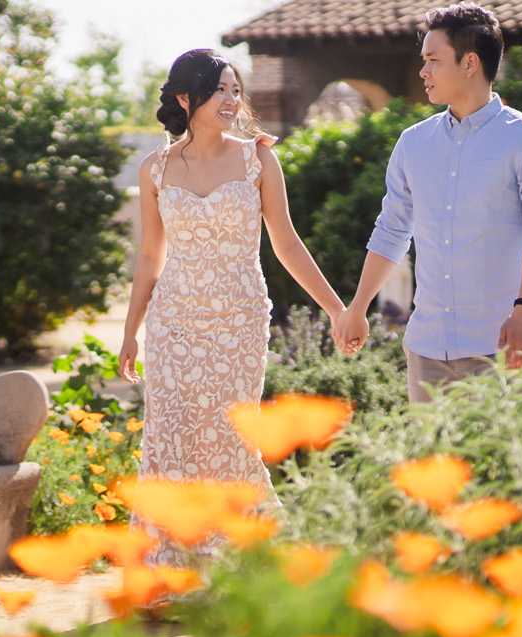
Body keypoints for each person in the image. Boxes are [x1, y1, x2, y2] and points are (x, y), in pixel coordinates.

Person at [118, 49, 349, 488]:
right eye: (219, 89)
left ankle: (236, 549)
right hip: (173, 326)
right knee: (170, 438)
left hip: (237, 322)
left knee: (231, 440)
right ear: (185, 99)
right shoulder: (155, 169)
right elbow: (150, 257)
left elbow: (286, 242)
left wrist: (337, 309)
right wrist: (131, 331)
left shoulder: (258, 160)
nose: (230, 99)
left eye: (235, 90)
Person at [334, 3, 522, 402]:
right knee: (429, 465)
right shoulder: (413, 143)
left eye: (432, 60)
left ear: (470, 63)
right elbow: (392, 229)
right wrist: (358, 306)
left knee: (497, 463)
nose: (423, 72)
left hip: (498, 345)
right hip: (427, 348)